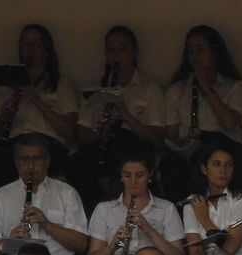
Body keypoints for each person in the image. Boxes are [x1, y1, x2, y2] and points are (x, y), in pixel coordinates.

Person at [69, 26, 169, 205]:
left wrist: (127, 117)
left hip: (134, 146)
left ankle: (117, 212)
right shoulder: (95, 89)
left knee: (123, 157)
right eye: (111, 49)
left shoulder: (149, 88)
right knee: (76, 163)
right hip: (102, 143)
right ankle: (95, 213)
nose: (116, 55)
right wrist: (100, 127)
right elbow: (81, 136)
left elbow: (158, 139)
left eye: (122, 48)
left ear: (134, 52)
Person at [0, 24, 80, 186]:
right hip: (15, 145)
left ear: (46, 50)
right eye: (25, 44)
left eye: (37, 44)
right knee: (0, 160)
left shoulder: (62, 84)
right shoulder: (7, 85)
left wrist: (36, 100)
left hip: (50, 146)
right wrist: (3, 117)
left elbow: (70, 132)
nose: (30, 49)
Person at [164, 25, 242, 170]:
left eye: (201, 49)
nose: (195, 56)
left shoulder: (236, 87)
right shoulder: (177, 90)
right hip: (190, 149)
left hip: (224, 148)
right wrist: (181, 143)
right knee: (169, 162)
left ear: (214, 52)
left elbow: (229, 123)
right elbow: (171, 134)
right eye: (190, 51)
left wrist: (205, 87)